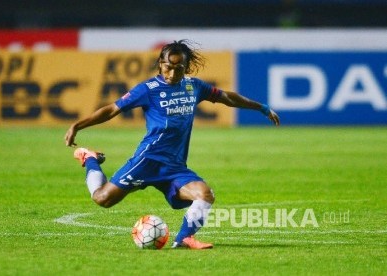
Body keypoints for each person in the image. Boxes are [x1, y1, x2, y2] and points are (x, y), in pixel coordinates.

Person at [64, 40, 280, 249]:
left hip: (174, 166)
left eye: (180, 68)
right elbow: (112, 109)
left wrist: (261, 107)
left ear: (187, 67)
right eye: (169, 67)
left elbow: (227, 97)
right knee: (103, 199)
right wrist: (78, 125)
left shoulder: (194, 86)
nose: (173, 73)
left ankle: (184, 239)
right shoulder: (148, 89)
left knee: (205, 195)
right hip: (148, 160)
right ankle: (89, 158)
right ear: (161, 63)